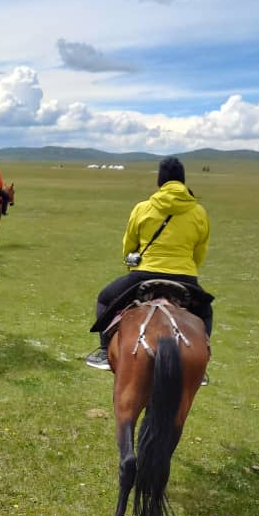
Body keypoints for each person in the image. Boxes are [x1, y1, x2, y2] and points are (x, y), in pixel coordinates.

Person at [86, 156, 213, 371]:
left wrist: (131, 266)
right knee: (206, 312)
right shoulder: (199, 212)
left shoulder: (143, 208)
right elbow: (199, 251)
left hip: (144, 274)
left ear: (159, 182)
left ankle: (105, 350)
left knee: (105, 298)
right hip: (185, 277)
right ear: (183, 181)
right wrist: (188, 270)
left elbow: (129, 245)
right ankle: (200, 364)